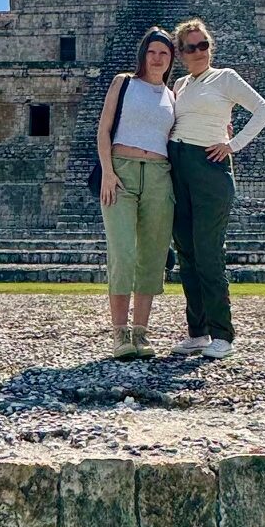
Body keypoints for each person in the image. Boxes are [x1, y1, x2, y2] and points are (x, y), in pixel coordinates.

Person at [167, 18, 265, 360]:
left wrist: (233, 144)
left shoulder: (225, 77)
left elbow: (263, 110)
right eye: (191, 47)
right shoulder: (180, 84)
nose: (199, 51)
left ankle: (222, 334)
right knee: (186, 253)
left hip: (209, 167)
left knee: (208, 253)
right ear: (181, 53)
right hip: (178, 167)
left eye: (204, 45)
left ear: (210, 47)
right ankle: (197, 332)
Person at [96, 27, 177, 359]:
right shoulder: (123, 82)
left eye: (164, 53)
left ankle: (140, 332)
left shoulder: (173, 96)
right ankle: (120, 333)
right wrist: (108, 171)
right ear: (143, 55)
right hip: (121, 172)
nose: (157, 58)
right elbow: (103, 129)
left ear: (171, 59)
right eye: (152, 52)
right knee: (123, 252)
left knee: (153, 255)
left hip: (159, 175)